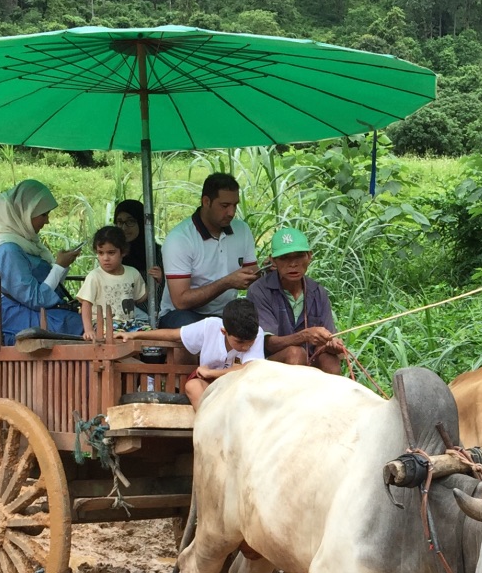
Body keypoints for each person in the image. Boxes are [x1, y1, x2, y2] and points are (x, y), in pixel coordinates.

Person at [0, 180, 83, 344]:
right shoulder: (8, 251)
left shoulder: (26, 244)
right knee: (89, 326)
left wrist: (63, 266)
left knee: (93, 320)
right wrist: (58, 267)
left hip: (44, 313)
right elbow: (36, 298)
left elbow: (47, 289)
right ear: (24, 213)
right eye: (43, 215)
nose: (47, 221)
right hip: (23, 319)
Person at [159, 173, 258, 328]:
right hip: (181, 314)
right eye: (224, 206)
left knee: (255, 323)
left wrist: (267, 271)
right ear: (206, 202)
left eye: (235, 205)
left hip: (227, 312)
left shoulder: (242, 230)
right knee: (195, 331)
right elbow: (180, 301)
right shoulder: (179, 238)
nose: (231, 213)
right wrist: (227, 282)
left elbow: (252, 274)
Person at [134, 298, 267, 408]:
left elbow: (249, 368)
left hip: (239, 385)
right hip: (211, 386)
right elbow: (174, 335)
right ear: (224, 332)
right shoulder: (210, 326)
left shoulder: (258, 332)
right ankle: (209, 429)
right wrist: (134, 335)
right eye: (240, 342)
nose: (246, 347)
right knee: (193, 386)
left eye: (250, 342)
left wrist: (211, 372)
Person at [248, 226, 344, 375]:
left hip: (310, 360)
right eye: (285, 258)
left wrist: (333, 344)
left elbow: (328, 338)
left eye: (299, 256)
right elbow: (268, 344)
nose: (293, 264)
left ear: (309, 256)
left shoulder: (317, 291)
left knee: (330, 360)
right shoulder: (259, 291)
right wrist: (304, 336)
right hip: (270, 364)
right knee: (295, 353)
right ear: (273, 261)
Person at [76, 226, 150, 339]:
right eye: (101, 253)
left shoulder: (132, 273)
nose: (105, 258)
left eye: (111, 253)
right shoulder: (95, 276)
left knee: (151, 336)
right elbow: (86, 304)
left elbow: (140, 297)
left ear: (123, 252)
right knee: (118, 340)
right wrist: (89, 330)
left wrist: (156, 282)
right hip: (105, 324)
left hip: (129, 323)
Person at [113, 199, 164, 313]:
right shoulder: (112, 253)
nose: (124, 228)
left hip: (152, 316)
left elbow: (162, 294)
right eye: (119, 222)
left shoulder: (156, 254)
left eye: (130, 221)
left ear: (141, 222)